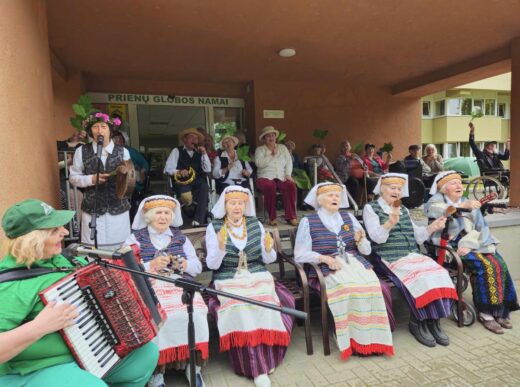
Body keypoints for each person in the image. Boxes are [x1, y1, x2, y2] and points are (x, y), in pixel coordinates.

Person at [0, 199, 158, 386]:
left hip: (90, 350)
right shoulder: (11, 286)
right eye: (54, 230)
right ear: (33, 239)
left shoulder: (60, 260)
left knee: (145, 355)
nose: (65, 232)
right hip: (37, 368)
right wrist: (40, 326)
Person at [205, 186, 294, 387]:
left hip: (257, 273)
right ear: (225, 205)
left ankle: (268, 357)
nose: (237, 207)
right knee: (241, 306)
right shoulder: (215, 227)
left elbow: (268, 259)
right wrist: (220, 247)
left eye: (240, 203)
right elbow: (212, 265)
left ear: (246, 205)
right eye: (232, 203)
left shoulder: (255, 224)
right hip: (227, 277)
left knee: (266, 301)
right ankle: (255, 368)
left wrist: (269, 249)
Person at [294, 183, 395, 359]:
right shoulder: (308, 221)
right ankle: (352, 339)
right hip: (326, 266)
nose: (335, 198)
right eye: (330, 195)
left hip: (354, 262)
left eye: (337, 196)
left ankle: (372, 338)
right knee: (348, 289)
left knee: (372, 286)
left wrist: (360, 241)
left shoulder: (348, 218)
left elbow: (366, 251)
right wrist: (324, 258)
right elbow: (300, 254)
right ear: (320, 200)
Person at [363, 173, 458, 347]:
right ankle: (417, 322)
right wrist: (389, 222)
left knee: (438, 272)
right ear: (381, 189)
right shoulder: (371, 208)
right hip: (387, 256)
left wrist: (432, 227)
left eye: (399, 189)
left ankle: (433, 321)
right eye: (392, 188)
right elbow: (377, 238)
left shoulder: (404, 209)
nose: (396, 191)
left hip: (410, 253)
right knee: (420, 277)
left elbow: (418, 237)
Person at [125, 195, 209, 387]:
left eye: (167, 213)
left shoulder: (180, 237)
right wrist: (150, 265)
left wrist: (184, 264)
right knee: (156, 317)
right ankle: (155, 371)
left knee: (195, 313)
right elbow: (126, 269)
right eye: (158, 213)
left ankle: (192, 365)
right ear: (148, 216)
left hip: (179, 283)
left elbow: (196, 267)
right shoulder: (135, 238)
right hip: (150, 286)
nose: (163, 217)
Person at [425, 171, 519, 334]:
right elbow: (438, 210)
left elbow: (483, 228)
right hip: (449, 246)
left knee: (499, 263)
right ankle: (486, 313)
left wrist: (473, 244)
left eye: (460, 182)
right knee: (486, 266)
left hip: (471, 243)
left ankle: (500, 310)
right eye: (454, 183)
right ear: (443, 188)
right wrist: (463, 206)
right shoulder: (435, 201)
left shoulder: (468, 202)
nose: (459, 186)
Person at [69, 112, 132, 248]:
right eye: (95, 127)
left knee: (119, 252)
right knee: (93, 251)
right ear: (90, 131)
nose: (99, 130)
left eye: (103, 126)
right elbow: (73, 178)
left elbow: (130, 178)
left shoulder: (123, 151)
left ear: (110, 130)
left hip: (118, 210)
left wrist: (123, 176)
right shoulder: (81, 151)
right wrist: (91, 179)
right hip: (92, 209)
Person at [164, 128, 211, 226]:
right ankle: (184, 219)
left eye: (196, 138)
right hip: (181, 182)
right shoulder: (177, 151)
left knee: (204, 187)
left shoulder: (200, 153)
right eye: (191, 137)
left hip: (197, 182)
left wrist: (204, 154)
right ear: (184, 140)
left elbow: (207, 169)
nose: (194, 140)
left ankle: (199, 220)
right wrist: (179, 171)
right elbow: (167, 169)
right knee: (187, 197)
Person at [254, 126, 298, 226]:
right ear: (264, 138)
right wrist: (271, 155)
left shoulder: (282, 148)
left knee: (290, 185)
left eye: (273, 135)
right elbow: (259, 163)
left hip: (281, 177)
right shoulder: (260, 149)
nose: (271, 137)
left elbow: (289, 162)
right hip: (264, 177)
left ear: (275, 137)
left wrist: (288, 174)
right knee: (270, 186)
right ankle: (272, 217)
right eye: (268, 136)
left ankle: (291, 217)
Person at [285, 140, 311, 209]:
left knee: (306, 181)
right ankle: (296, 204)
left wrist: (305, 164)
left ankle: (304, 203)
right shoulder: (283, 155)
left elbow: (300, 166)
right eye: (287, 145)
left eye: (291, 145)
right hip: (288, 174)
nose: (289, 147)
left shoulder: (296, 155)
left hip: (297, 173)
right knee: (296, 183)